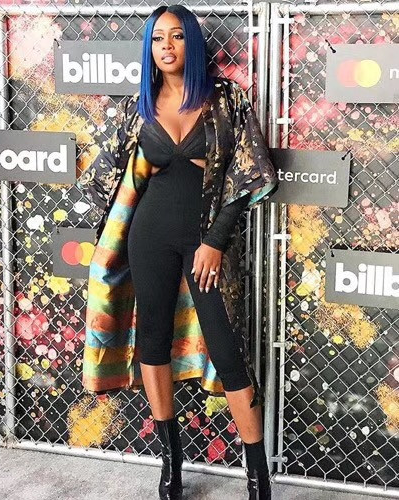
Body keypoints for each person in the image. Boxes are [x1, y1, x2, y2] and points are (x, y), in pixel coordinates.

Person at [78, 5, 278, 500]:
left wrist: (215, 241)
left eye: (176, 37)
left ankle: (258, 477)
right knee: (152, 342)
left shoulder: (226, 98)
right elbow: (106, 177)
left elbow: (249, 175)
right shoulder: (138, 106)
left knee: (228, 352)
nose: (166, 46)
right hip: (148, 237)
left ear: (192, 42)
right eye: (157, 38)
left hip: (206, 241)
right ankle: (171, 464)